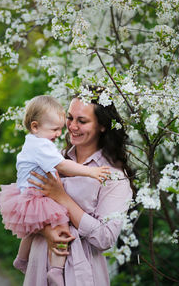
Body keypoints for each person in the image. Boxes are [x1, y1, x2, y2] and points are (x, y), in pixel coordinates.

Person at [15, 86, 133, 286]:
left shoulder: (112, 176)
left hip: (80, 272)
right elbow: (24, 207)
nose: (72, 126)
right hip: (40, 262)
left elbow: (105, 238)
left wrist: (61, 197)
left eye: (82, 121)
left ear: (102, 126)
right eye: (70, 118)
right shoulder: (52, 158)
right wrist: (46, 232)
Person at [0, 95, 111, 285]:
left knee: (31, 228)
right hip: (37, 196)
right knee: (61, 223)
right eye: (55, 129)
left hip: (27, 194)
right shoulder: (42, 146)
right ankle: (56, 271)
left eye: (60, 128)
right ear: (35, 126)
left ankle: (21, 258)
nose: (60, 133)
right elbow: (64, 166)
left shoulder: (32, 142)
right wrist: (91, 172)